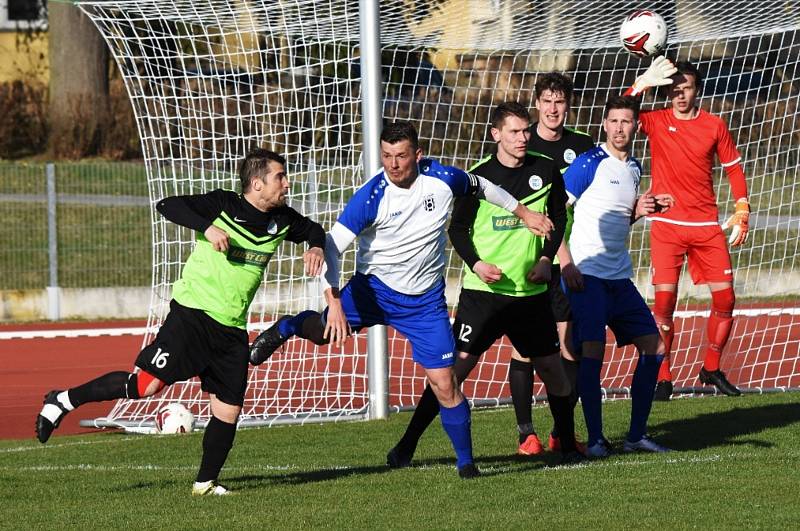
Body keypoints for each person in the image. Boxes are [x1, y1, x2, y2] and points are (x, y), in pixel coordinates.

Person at [248, 121, 555, 479]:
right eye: (387, 156)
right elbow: (331, 248)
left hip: (425, 303)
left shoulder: (441, 179)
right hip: (372, 291)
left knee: (445, 382)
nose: (393, 164)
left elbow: (482, 186)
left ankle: (467, 464)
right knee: (322, 333)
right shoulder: (371, 195)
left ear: (418, 156)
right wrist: (332, 303)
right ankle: (289, 325)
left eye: (401, 156)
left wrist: (525, 213)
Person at [35, 149, 327, 496]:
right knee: (146, 387)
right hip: (192, 316)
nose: (286, 183)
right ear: (257, 184)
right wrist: (208, 227)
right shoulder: (223, 205)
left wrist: (315, 247)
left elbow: (315, 229)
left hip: (232, 327)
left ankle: (205, 483)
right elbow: (167, 205)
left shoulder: (283, 219)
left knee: (229, 409)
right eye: (280, 176)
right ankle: (63, 400)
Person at [386, 102, 583, 466]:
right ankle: (407, 445)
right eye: (514, 131)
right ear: (496, 135)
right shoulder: (477, 177)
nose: (523, 138)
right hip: (484, 296)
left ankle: (568, 446)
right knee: (450, 375)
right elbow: (457, 229)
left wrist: (545, 259)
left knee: (554, 372)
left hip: (530, 296)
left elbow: (557, 217)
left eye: (526, 130)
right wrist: (476, 263)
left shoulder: (546, 169)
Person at [625, 58, 749, 400]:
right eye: (674, 90)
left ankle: (711, 368)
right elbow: (622, 116)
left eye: (687, 88)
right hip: (666, 226)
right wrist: (641, 84)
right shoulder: (655, 120)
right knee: (664, 304)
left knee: (726, 298)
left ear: (697, 90)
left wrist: (742, 207)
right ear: (667, 91)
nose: (681, 96)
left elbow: (734, 170)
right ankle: (663, 377)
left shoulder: (714, 125)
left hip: (707, 225)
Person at [559, 95, 674, 457]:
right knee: (593, 350)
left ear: (635, 126)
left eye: (626, 122)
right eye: (614, 122)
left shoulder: (635, 168)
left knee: (654, 347)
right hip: (586, 274)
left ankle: (635, 435)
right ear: (604, 125)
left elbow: (617, 220)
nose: (620, 128)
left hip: (619, 278)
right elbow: (552, 216)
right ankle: (595, 440)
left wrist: (641, 209)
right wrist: (566, 263)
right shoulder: (588, 163)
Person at [507, 72, 595, 455]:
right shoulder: (523, 145)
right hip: (532, 261)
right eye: (547, 100)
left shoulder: (583, 145)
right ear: (537, 104)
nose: (553, 108)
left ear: (567, 105)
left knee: (568, 346)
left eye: (560, 101)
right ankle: (526, 433)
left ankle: (562, 430)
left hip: (572, 261)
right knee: (525, 349)